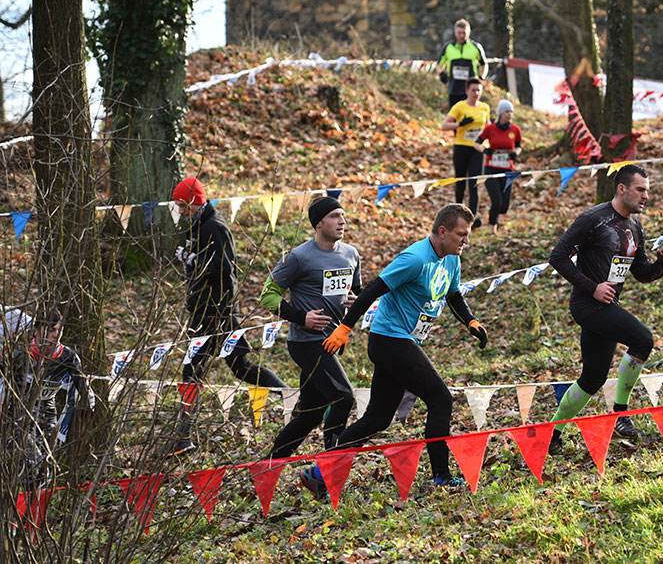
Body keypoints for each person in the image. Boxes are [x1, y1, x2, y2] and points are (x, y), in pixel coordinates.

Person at [299, 204, 488, 497]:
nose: (467, 241)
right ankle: (442, 476)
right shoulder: (414, 259)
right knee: (440, 399)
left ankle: (318, 473)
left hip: (403, 342)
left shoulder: (452, 259)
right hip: (389, 340)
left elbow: (453, 295)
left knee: (377, 418)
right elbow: (373, 290)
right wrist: (345, 327)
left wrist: (470, 321)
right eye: (461, 234)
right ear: (443, 231)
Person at [546, 165, 663, 452]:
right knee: (643, 340)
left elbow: (641, 273)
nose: (645, 196)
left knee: (593, 378)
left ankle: (552, 434)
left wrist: (662, 265)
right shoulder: (593, 219)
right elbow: (558, 256)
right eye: (640, 190)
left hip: (607, 305)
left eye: (647, 191)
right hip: (588, 304)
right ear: (622, 188)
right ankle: (620, 413)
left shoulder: (635, 227)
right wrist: (592, 287)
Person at [169, 177, 285, 456]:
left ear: (195, 201)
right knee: (236, 368)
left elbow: (226, 271)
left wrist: (218, 310)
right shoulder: (198, 226)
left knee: (197, 371)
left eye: (183, 205)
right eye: (178, 206)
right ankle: (291, 395)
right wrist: (190, 259)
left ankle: (292, 396)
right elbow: (204, 266)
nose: (180, 211)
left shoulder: (214, 227)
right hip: (205, 311)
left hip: (215, 313)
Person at [261, 196, 362, 459]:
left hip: (332, 340)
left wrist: (356, 301)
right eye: (334, 216)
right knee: (343, 397)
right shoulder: (298, 257)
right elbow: (267, 296)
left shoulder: (351, 254)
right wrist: (301, 317)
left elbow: (357, 291)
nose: (342, 221)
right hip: (306, 342)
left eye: (343, 215)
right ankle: (330, 466)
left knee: (311, 413)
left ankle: (268, 466)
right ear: (318, 223)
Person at [1, 308, 87, 488]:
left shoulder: (68, 356)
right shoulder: (19, 353)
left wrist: (86, 409)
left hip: (46, 416)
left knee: (44, 471)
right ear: (37, 330)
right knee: (33, 465)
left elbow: (84, 391)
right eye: (51, 330)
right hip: (16, 417)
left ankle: (31, 500)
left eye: (59, 329)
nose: (56, 335)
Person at [440, 77, 489, 228]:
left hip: (477, 149)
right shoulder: (459, 106)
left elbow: (488, 128)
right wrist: (460, 124)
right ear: (467, 91)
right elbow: (444, 125)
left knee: (474, 184)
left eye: (478, 90)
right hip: (461, 147)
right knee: (460, 183)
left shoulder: (485, 108)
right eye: (473, 90)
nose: (476, 93)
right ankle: (457, 214)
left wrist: (490, 145)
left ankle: (471, 219)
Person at [474, 99, 522, 234]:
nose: (509, 114)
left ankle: (493, 217)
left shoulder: (515, 130)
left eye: (511, 112)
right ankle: (492, 230)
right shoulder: (490, 129)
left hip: (508, 170)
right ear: (500, 113)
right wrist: (485, 150)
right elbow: (476, 143)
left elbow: (519, 146)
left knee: (504, 207)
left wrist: (515, 153)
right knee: (497, 201)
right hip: (491, 169)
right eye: (507, 111)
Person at [437, 18, 488, 108]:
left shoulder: (476, 47)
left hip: (471, 90)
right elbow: (439, 65)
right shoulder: (448, 47)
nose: (461, 35)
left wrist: (480, 78)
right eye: (459, 33)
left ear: (469, 32)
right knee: (454, 113)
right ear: (455, 33)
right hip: (454, 88)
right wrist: (441, 74)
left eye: (464, 33)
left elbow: (484, 64)